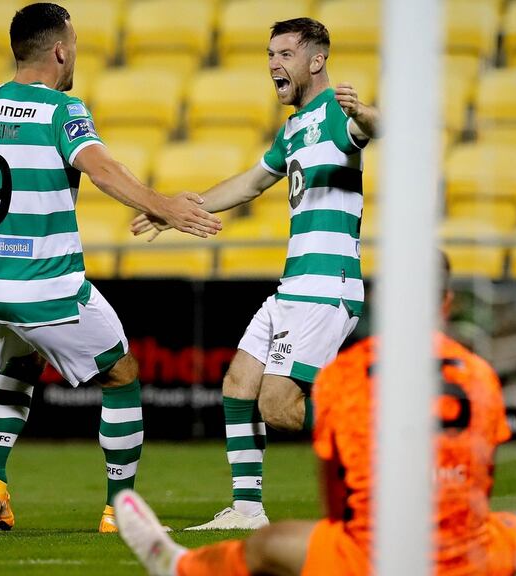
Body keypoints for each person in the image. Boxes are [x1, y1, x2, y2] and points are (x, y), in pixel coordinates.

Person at [0, 2, 222, 533]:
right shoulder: (62, 111)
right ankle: (120, 513)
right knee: (122, 375)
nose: (74, 53)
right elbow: (100, 168)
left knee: (20, 367)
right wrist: (162, 204)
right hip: (48, 287)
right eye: (73, 44)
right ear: (59, 49)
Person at [113, 253, 516, 576]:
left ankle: (176, 563)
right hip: (463, 556)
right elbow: (482, 486)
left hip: (373, 557)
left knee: (267, 549)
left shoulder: (352, 374)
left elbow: (338, 496)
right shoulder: (480, 375)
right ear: (447, 303)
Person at [130, 17, 381, 530]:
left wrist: (366, 112)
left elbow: (372, 128)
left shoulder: (337, 113)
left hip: (324, 287)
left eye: (285, 54)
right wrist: (172, 210)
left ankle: (381, 444)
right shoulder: (292, 128)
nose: (273, 64)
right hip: (294, 287)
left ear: (316, 61)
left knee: (278, 405)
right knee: (238, 384)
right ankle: (247, 511)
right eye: (270, 54)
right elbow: (248, 184)